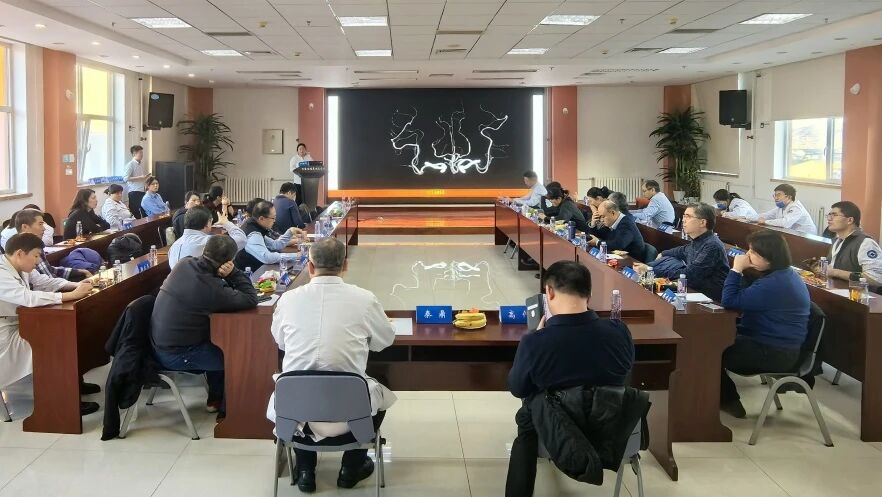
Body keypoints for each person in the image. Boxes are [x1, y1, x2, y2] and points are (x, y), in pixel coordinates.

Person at [268, 237, 396, 492]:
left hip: (295, 415)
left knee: (296, 388)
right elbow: (384, 341)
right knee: (381, 393)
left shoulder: (288, 299)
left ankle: (305, 470)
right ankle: (351, 469)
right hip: (351, 416)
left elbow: (280, 341)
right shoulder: (364, 299)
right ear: (345, 265)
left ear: (310, 266)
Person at [505, 260, 634, 497]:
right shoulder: (619, 332)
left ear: (549, 292)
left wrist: (536, 339)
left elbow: (518, 388)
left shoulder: (536, 342)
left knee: (529, 409)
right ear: (589, 294)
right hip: (611, 431)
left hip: (559, 435)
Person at [151, 235, 258, 413]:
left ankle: (216, 398)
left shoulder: (184, 264)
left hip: (159, 343)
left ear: (204, 250)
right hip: (176, 354)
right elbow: (250, 298)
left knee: (221, 343)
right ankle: (229, 413)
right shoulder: (211, 288)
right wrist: (233, 273)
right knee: (236, 357)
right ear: (229, 261)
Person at [0, 233, 97, 414]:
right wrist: (68, 295)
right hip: (4, 334)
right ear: (20, 253)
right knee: (52, 344)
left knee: (68, 330)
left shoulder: (21, 266)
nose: (38, 261)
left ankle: (75, 385)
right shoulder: (1, 272)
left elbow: (44, 282)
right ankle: (63, 402)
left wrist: (75, 285)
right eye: (36, 255)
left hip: (22, 322)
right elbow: (27, 298)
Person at [719, 230, 810, 418]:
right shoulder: (784, 274)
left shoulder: (775, 284)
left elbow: (729, 301)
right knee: (709, 344)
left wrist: (736, 270)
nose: (747, 255)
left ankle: (728, 400)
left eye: (753, 252)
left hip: (774, 352)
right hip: (770, 343)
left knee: (706, 352)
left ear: (769, 257)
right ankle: (720, 398)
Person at [634, 203, 729, 301]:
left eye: (688, 216)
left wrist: (651, 270)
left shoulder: (712, 246)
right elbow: (681, 250)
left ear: (702, 222)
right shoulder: (698, 241)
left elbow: (690, 275)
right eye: (684, 216)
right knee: (644, 286)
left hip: (707, 297)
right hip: (691, 289)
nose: (683, 220)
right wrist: (663, 253)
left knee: (651, 290)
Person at [14, 210, 91, 281]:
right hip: (48, 288)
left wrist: (77, 271)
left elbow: (49, 270)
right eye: (40, 224)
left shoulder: (36, 245)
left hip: (54, 283)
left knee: (84, 274)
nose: (44, 228)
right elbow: (44, 284)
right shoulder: (21, 251)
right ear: (25, 227)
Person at [821, 201, 882, 289]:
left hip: (857, 295)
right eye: (829, 215)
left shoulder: (866, 243)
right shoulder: (837, 240)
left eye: (834, 215)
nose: (829, 219)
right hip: (835, 289)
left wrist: (836, 272)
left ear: (850, 220)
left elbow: (876, 278)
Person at [168, 206, 246, 268]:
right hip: (203, 283)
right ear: (207, 224)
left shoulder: (173, 247)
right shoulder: (210, 242)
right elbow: (242, 239)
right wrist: (226, 222)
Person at [234, 201, 303, 270]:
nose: (274, 221)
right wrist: (296, 256)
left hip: (258, 267)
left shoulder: (257, 225)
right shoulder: (253, 234)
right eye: (273, 218)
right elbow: (267, 258)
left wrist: (290, 232)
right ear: (261, 218)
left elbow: (275, 245)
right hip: (250, 272)